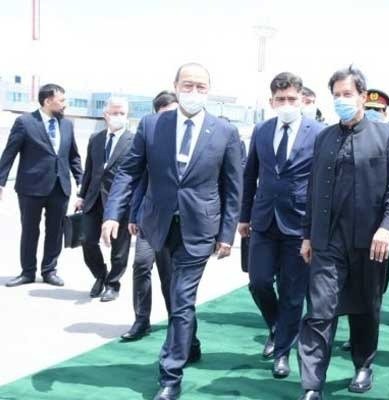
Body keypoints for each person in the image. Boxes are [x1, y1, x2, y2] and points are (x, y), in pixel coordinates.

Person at [101, 63, 243, 400]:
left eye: (201, 87)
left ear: (209, 90)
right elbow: (129, 173)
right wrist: (113, 214)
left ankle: (170, 375)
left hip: (199, 227)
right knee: (172, 292)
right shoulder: (152, 125)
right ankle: (189, 343)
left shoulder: (224, 131)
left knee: (181, 298)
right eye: (188, 85)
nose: (194, 92)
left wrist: (227, 234)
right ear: (176, 86)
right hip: (157, 224)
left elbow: (232, 187)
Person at [296, 66, 389, 400]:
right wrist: (306, 235)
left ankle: (363, 364)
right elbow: (313, 188)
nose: (342, 100)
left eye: (348, 94)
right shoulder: (325, 137)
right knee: (319, 310)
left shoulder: (385, 137)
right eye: (337, 95)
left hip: (369, 243)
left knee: (365, 307)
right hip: (327, 241)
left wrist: (387, 228)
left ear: (362, 96)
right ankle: (312, 385)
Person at [238, 72, 324, 378]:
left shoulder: (319, 133)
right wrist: (244, 216)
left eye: (291, 99)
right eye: (280, 99)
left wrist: (313, 231)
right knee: (258, 281)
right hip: (263, 220)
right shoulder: (262, 130)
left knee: (292, 292)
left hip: (299, 224)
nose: (286, 104)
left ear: (301, 99)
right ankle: (276, 325)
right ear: (272, 101)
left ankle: (283, 351)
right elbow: (250, 175)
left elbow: (322, 184)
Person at [0, 83, 83, 287]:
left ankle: (49, 270)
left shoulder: (67, 125)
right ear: (47, 101)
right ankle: (27, 271)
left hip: (60, 187)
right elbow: (9, 153)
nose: (65, 104)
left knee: (55, 231)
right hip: (31, 187)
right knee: (30, 230)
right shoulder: (25, 122)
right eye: (61, 100)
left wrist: (82, 182)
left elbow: (73, 157)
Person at [120, 90, 178, 342]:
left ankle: (176, 321)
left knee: (169, 276)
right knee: (141, 265)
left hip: (174, 222)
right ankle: (141, 319)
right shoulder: (150, 139)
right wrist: (133, 215)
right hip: (148, 218)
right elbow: (139, 181)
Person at [74, 97, 134, 302]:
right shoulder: (95, 139)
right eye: (114, 112)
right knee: (86, 240)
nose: (118, 116)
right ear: (106, 114)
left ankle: (112, 284)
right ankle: (100, 275)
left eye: (122, 113)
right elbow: (89, 170)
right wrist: (81, 195)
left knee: (119, 248)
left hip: (120, 203)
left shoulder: (134, 141)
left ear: (127, 116)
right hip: (93, 199)